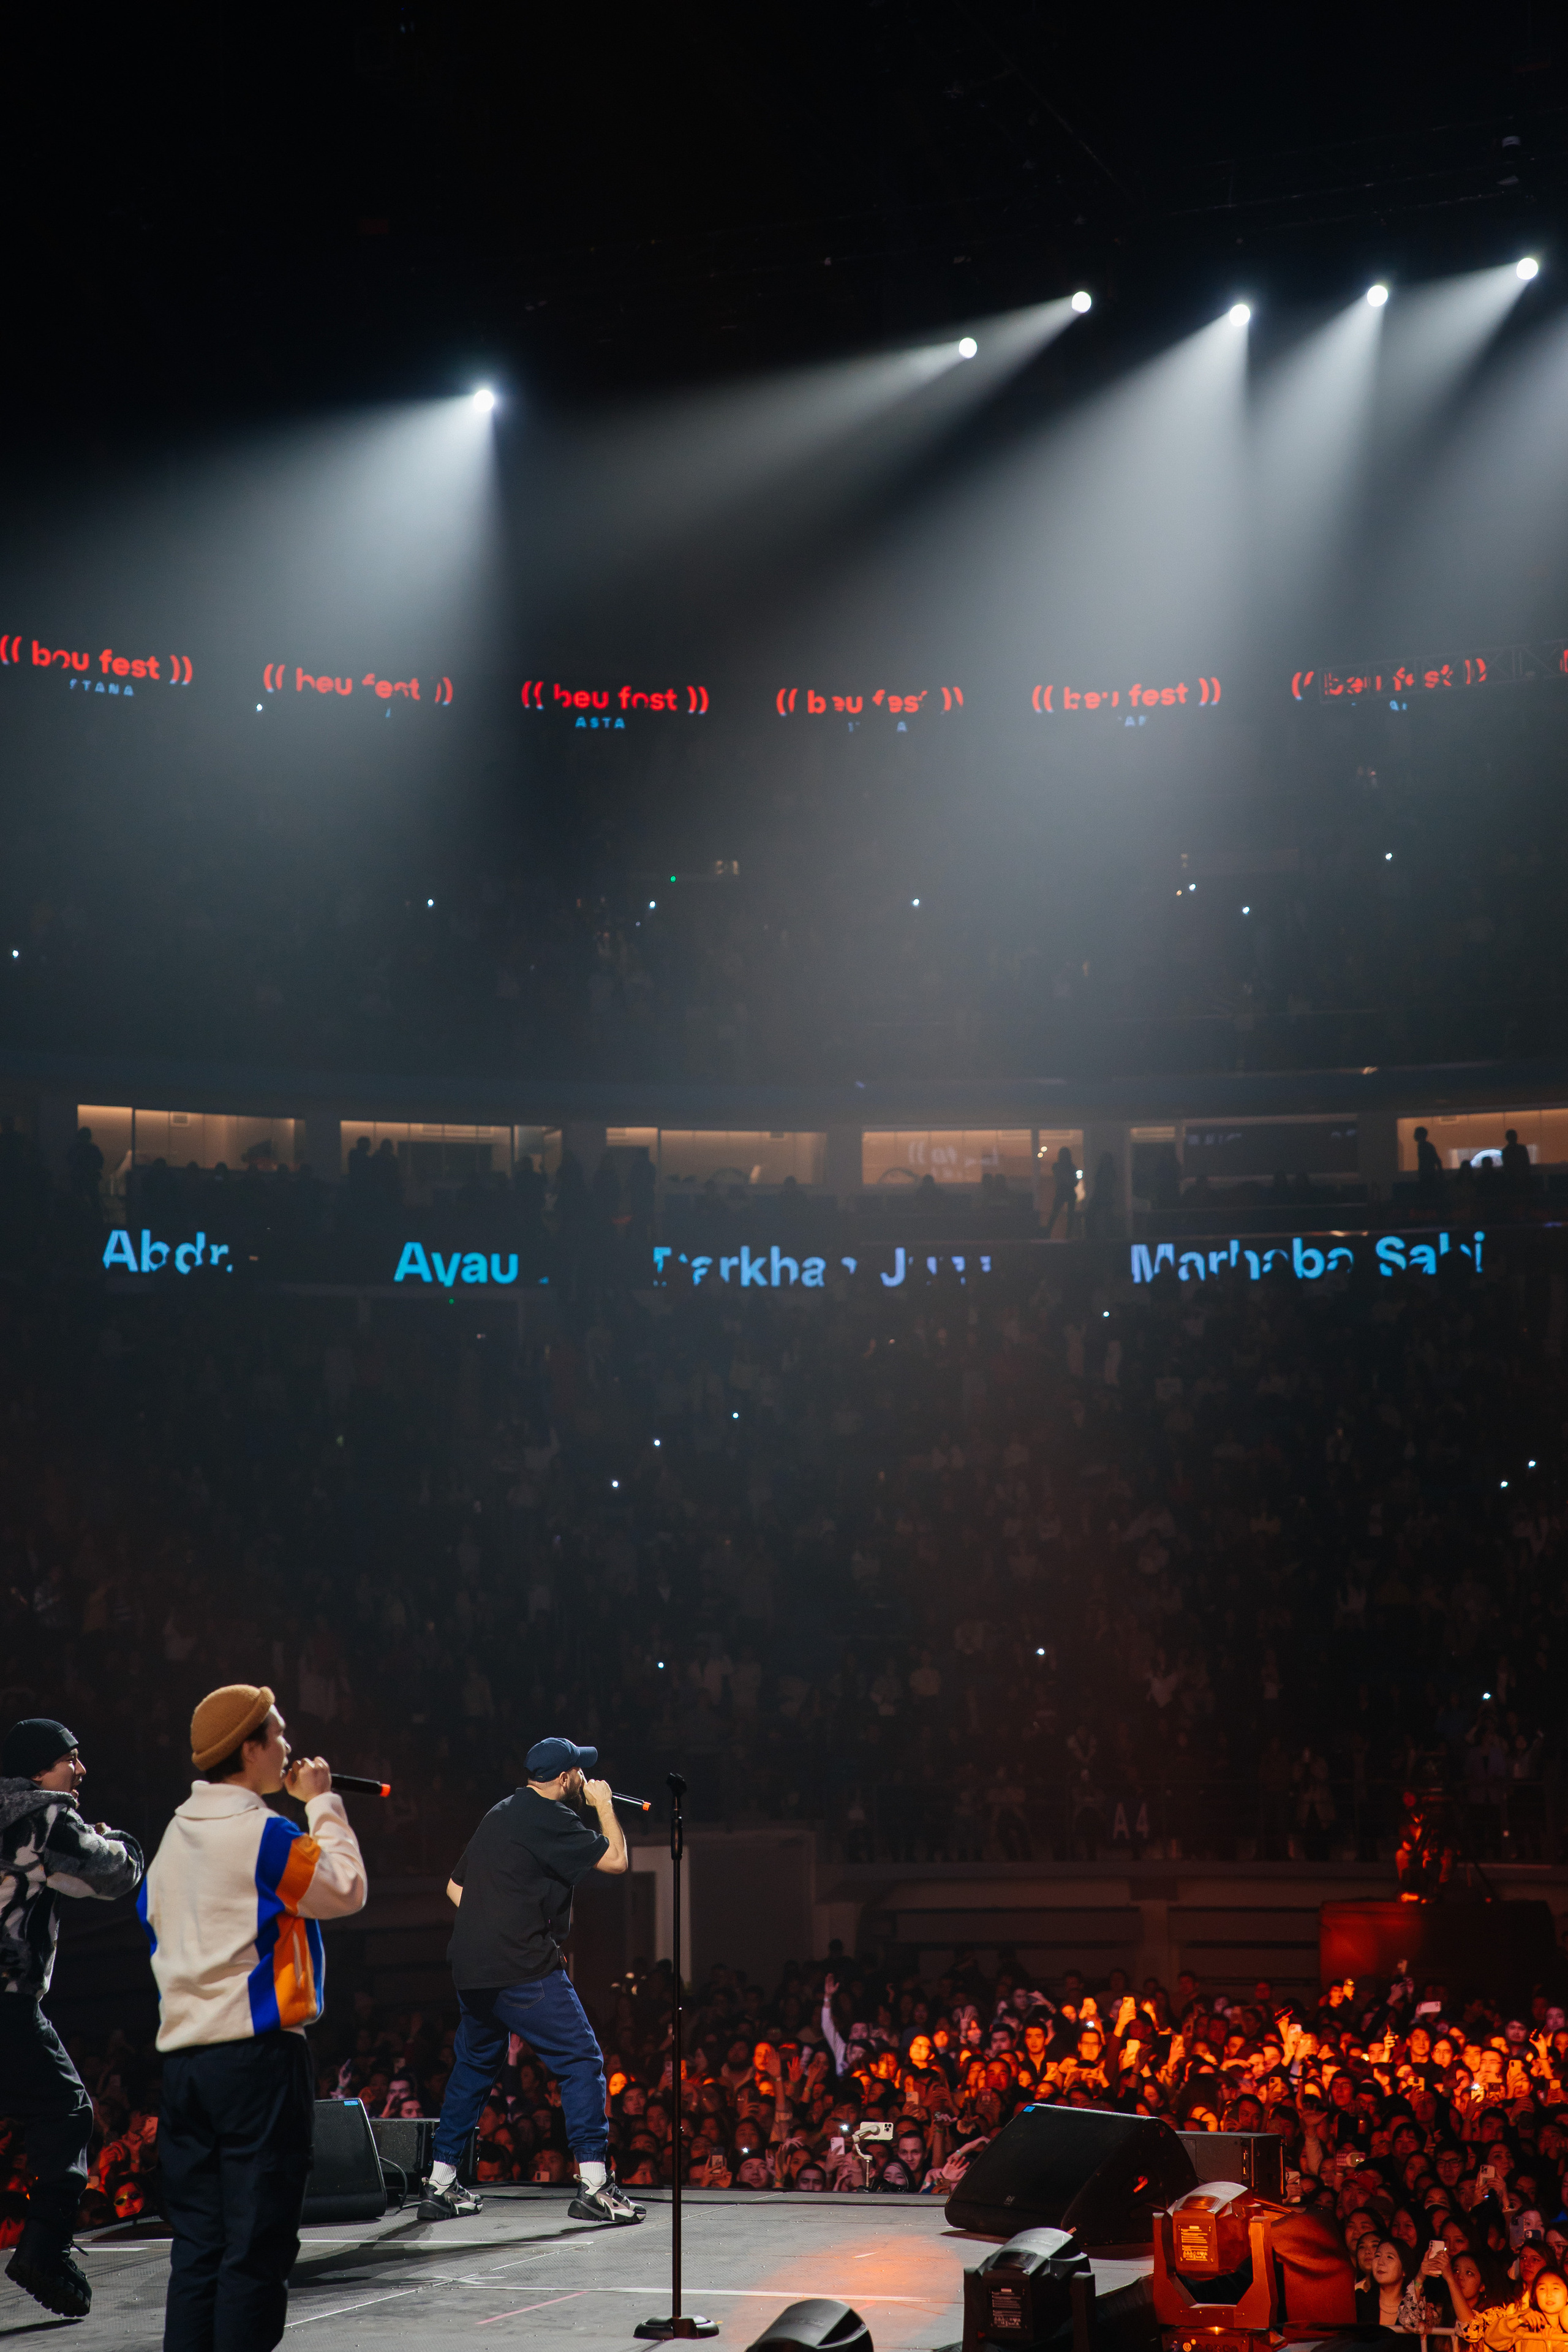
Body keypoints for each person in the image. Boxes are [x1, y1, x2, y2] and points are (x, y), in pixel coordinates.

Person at [140, 1683, 367, 2352]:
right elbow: (345, 1889)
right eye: (280, 1734)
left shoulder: (173, 1838)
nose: (291, 1747)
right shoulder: (263, 1833)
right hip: (257, 2061)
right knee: (256, 2251)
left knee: (200, 2251)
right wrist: (323, 1803)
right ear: (250, 1748)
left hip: (184, 2064)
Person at [424, 1735, 643, 2226]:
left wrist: (495, 1923)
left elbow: (455, 1887)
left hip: (472, 1966)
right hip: (522, 1967)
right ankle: (594, 2185)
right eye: (579, 1772)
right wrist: (604, 1806)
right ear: (565, 1778)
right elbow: (616, 1861)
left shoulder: (500, 1812)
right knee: (581, 2059)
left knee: (474, 2067)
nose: (584, 1779)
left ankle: (439, 2184)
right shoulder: (556, 1818)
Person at [1, 1715, 144, 2320]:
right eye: (70, 1759)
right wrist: (125, 1843)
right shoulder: (44, 1816)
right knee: (67, 2110)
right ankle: (43, 2249)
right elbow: (111, 1876)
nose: (80, 1771)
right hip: (6, 1997)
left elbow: (64, 1878)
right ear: (39, 1769)